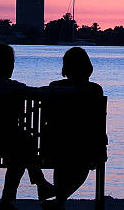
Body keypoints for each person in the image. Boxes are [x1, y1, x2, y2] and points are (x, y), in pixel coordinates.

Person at [0, 44, 55, 210]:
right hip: (4, 144)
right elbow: (39, 93)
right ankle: (38, 183)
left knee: (21, 146)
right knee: (24, 144)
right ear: (9, 65)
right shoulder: (11, 87)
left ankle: (11, 200)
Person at [42, 47, 104, 207]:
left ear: (66, 67)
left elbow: (47, 117)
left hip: (55, 145)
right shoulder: (95, 90)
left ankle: (58, 198)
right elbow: (98, 123)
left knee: (61, 162)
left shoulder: (54, 87)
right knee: (82, 167)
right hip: (86, 147)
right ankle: (59, 199)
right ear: (88, 67)